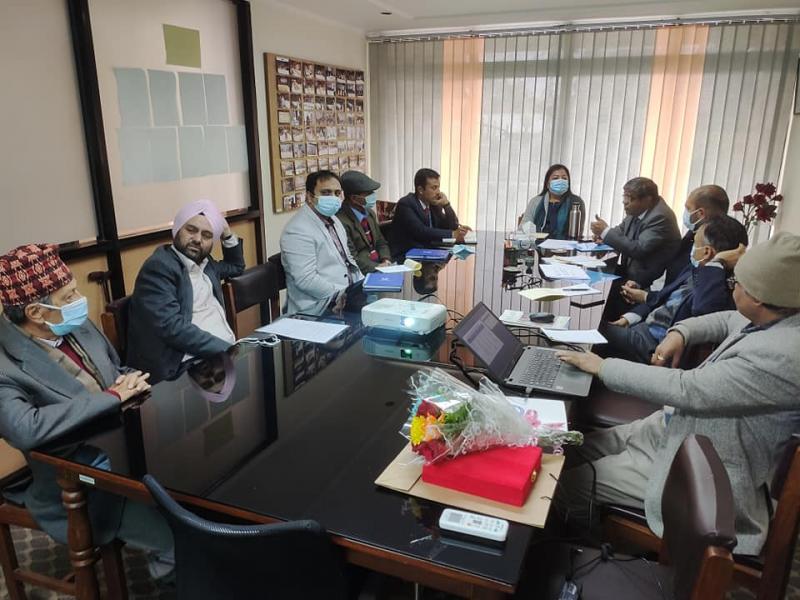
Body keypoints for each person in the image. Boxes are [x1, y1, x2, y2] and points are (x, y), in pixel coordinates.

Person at [556, 232, 800, 555]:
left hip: (700, 473)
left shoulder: (782, 355)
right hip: (675, 431)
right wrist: (682, 332)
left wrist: (602, 367)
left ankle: (582, 555)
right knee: (566, 452)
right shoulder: (775, 318)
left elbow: (686, 389)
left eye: (734, 283)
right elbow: (729, 318)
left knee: (562, 488)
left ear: (758, 298)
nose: (732, 289)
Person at [0, 244, 173, 572]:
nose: (79, 299)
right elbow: (24, 428)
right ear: (35, 312)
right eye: (69, 296)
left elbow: (116, 371)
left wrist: (130, 380)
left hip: (129, 450)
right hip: (77, 481)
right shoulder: (5, 362)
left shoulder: (72, 324)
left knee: (197, 502)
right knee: (178, 538)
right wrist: (112, 397)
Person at [599, 215, 748, 363]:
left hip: (654, 346)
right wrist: (630, 318)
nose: (692, 249)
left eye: (695, 244)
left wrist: (716, 262)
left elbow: (703, 310)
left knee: (590, 329)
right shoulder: (696, 269)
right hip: (643, 326)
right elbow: (666, 297)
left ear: (707, 252)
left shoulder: (720, 287)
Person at [127, 200, 245, 383]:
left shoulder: (206, 263)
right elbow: (172, 328)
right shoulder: (159, 267)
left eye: (207, 235)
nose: (197, 239)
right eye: (191, 230)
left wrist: (227, 234)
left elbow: (236, 266)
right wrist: (226, 349)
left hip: (218, 357)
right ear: (177, 230)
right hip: (182, 367)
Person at [281, 170, 364, 315]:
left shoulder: (333, 219)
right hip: (318, 308)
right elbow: (306, 280)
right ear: (309, 196)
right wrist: (341, 295)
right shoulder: (297, 230)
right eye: (326, 193)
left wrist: (364, 284)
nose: (333, 198)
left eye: (337, 193)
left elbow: (347, 259)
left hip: (346, 298)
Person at [590, 177, 681, 289]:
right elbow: (621, 231)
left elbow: (638, 249)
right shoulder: (637, 210)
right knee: (591, 273)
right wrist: (603, 237)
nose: (625, 202)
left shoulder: (660, 217)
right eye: (624, 196)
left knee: (598, 286)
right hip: (629, 272)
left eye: (630, 198)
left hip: (646, 283)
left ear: (647, 199)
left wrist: (605, 232)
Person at [390, 168, 471, 261]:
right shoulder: (406, 204)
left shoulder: (433, 204)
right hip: (406, 256)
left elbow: (451, 226)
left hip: (427, 252)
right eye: (434, 188)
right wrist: (453, 234)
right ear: (420, 190)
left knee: (459, 258)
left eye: (438, 187)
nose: (438, 192)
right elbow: (421, 231)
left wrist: (446, 205)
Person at [665, 184, 730, 284]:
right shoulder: (694, 231)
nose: (686, 212)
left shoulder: (715, 243)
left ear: (700, 213)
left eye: (688, 208)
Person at [336, 170, 392, 273]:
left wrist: (386, 260)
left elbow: (381, 242)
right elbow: (352, 256)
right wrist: (378, 267)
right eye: (368, 193)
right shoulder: (340, 221)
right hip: (362, 271)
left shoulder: (370, 213)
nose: (373, 196)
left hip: (381, 265)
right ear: (354, 198)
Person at [520, 164, 586, 239]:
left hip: (566, 244)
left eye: (564, 178)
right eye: (555, 178)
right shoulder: (535, 201)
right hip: (537, 243)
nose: (560, 181)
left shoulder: (576, 202)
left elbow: (578, 232)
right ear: (547, 184)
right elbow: (524, 227)